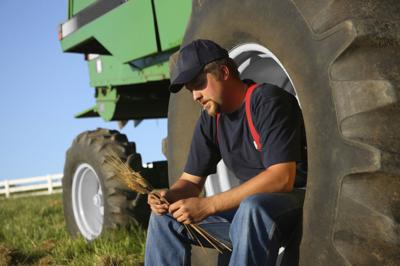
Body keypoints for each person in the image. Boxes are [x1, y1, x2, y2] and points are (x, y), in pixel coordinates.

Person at [145, 39, 307, 266]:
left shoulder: (268, 101)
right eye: (190, 89)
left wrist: (208, 205)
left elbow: (282, 178)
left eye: (198, 83)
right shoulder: (211, 120)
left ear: (223, 71)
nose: (195, 96)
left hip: (295, 202)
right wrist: (168, 197)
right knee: (165, 219)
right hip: (246, 214)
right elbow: (190, 183)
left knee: (251, 208)